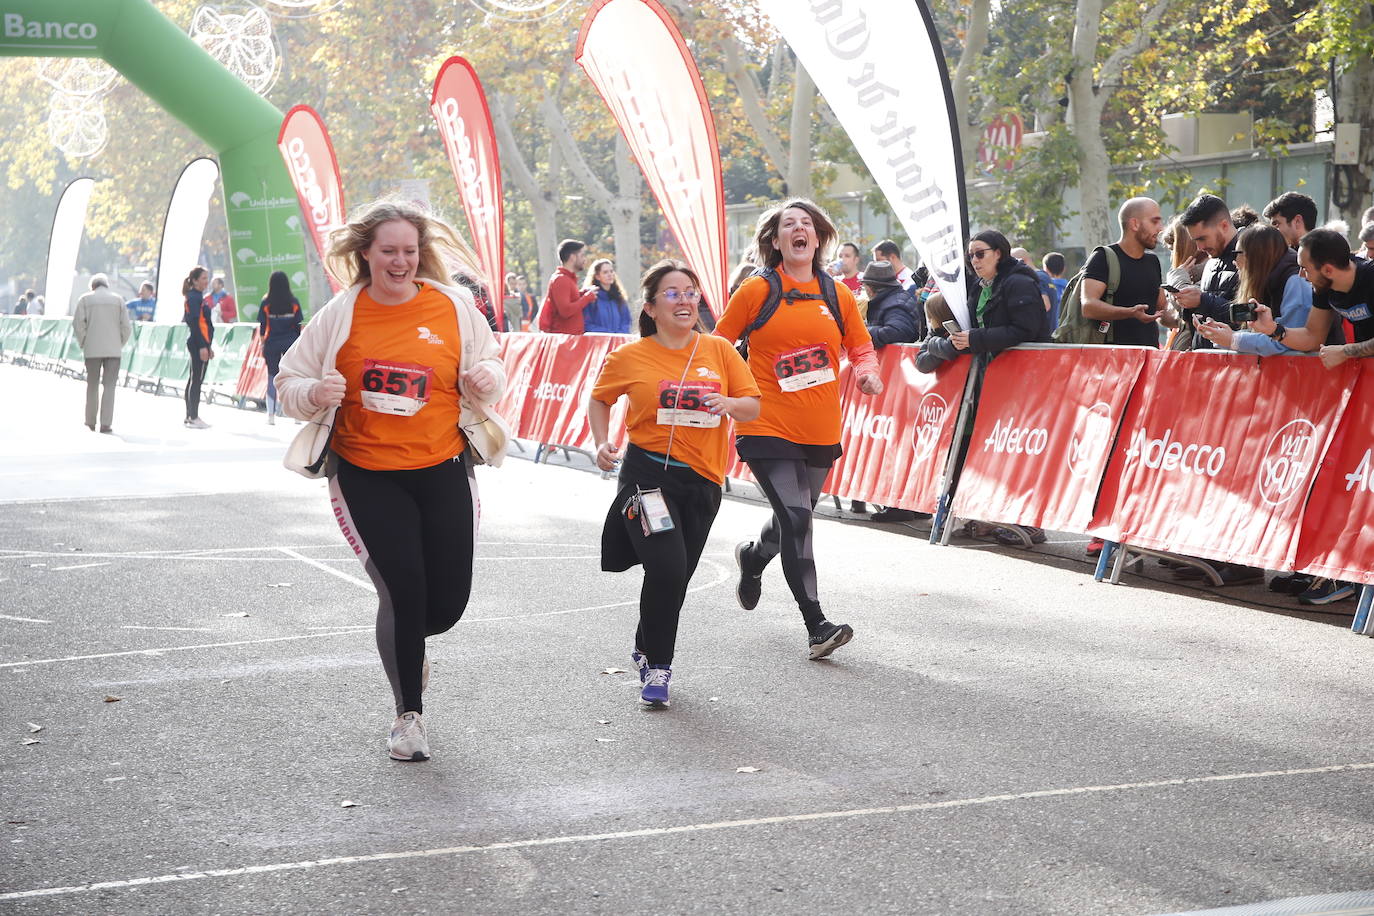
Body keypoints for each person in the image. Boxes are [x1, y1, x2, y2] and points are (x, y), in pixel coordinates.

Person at [274, 198, 509, 762]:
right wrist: (313, 394)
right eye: (389, 251)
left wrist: (485, 377)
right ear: (365, 254)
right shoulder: (341, 313)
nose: (400, 262)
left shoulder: (453, 307)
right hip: (368, 474)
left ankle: (410, 644)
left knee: (445, 605)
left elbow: (494, 366)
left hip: (443, 467)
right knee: (402, 592)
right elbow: (289, 381)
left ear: (421, 254)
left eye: (409, 251)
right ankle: (408, 717)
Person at [716, 198, 884, 660]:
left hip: (819, 425)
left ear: (818, 237)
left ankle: (753, 557)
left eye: (806, 223)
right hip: (765, 420)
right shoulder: (757, 290)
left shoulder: (838, 293)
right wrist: (727, 392)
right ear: (775, 240)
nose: (798, 229)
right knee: (798, 520)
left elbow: (862, 347)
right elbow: (719, 344)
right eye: (788, 224)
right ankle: (816, 625)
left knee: (797, 515)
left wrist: (868, 373)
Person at [589, 259, 761, 708]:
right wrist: (601, 442)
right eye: (672, 293)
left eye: (690, 291)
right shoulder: (629, 358)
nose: (684, 300)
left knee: (677, 577)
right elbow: (600, 398)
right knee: (665, 568)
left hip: (702, 482)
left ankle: (645, 644)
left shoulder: (720, 351)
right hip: (647, 478)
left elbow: (751, 408)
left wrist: (728, 402)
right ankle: (659, 668)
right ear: (650, 307)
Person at [857, 259, 924, 524]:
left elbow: (899, 331)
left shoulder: (894, 303)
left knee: (898, 442)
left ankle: (901, 503)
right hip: (892, 382)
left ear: (872, 288)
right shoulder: (892, 299)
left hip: (899, 383)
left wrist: (861, 333)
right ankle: (901, 502)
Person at [1081, 197, 1178, 348]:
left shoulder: (1152, 262)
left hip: (1149, 357)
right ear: (1135, 224)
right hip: (1111, 361)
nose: (1161, 228)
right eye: (1155, 221)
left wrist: (1188, 317)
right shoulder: (1102, 257)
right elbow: (1088, 306)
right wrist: (1130, 312)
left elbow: (1161, 310)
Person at [1173, 194, 1240, 350]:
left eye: (1202, 239)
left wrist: (1203, 300)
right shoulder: (1210, 262)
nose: (1199, 247)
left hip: (1236, 364)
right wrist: (1188, 304)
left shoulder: (1249, 256)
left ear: (1224, 225)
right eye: (1195, 240)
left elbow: (1250, 314)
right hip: (1205, 362)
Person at [72, 273, 131, 434]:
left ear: (93, 286)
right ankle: (106, 423)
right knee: (109, 386)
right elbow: (126, 327)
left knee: (92, 385)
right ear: (106, 285)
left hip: (92, 349)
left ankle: (90, 421)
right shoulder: (118, 300)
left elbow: (77, 324)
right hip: (113, 350)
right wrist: (119, 343)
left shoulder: (85, 299)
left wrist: (84, 341)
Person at [256, 270, 303, 425]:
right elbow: (298, 326)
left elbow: (262, 327)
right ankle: (296, 415)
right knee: (293, 377)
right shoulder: (294, 302)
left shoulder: (266, 303)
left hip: (272, 343)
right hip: (291, 342)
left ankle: (271, 416)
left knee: (272, 377)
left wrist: (263, 343)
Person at [539, 239, 596, 334]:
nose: (584, 259)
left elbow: (569, 301)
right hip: (564, 340)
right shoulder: (561, 280)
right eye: (582, 255)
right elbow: (565, 311)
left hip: (570, 339)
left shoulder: (568, 279)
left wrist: (582, 293)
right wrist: (587, 298)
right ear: (572, 257)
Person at [182, 266, 213, 429]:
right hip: (197, 342)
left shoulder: (198, 297)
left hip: (201, 342)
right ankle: (193, 416)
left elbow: (205, 324)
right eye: (203, 278)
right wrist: (202, 346)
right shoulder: (193, 298)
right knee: (196, 380)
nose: (206, 282)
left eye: (207, 278)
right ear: (194, 280)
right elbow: (195, 323)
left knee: (195, 378)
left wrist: (208, 346)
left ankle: (190, 415)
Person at [583, 258, 632, 334]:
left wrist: (619, 335)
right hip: (599, 342)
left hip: (619, 342)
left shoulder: (619, 298)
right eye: (605, 272)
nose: (610, 274)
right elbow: (587, 325)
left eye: (611, 271)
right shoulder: (591, 298)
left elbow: (626, 322)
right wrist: (609, 334)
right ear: (597, 276)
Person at [1042, 252, 1067, 332]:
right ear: (1064, 269)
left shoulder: (1044, 287)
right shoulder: (1070, 287)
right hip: (1066, 332)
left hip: (1050, 331)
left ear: (1045, 268)